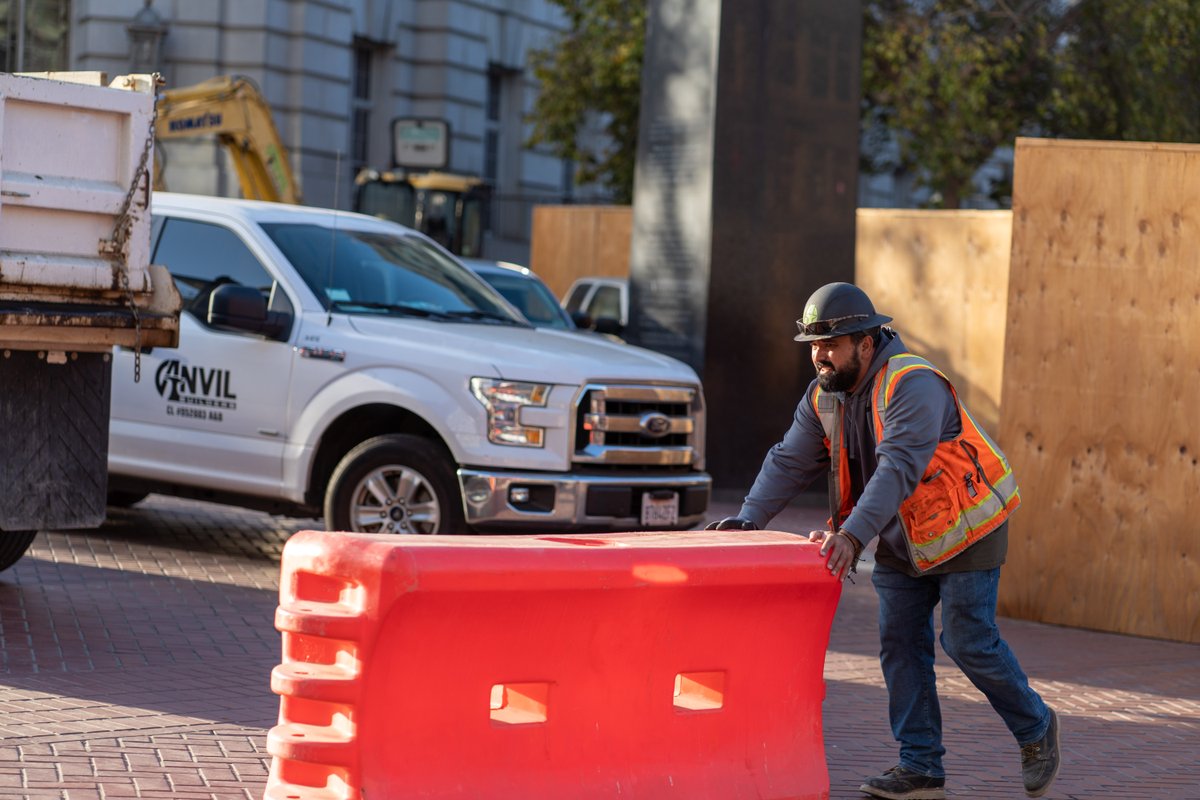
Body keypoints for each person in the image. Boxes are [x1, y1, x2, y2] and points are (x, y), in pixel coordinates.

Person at [706, 282, 1061, 800]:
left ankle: (1036, 728)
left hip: (965, 527)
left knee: (966, 640)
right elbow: (789, 459)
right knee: (900, 646)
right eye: (812, 345)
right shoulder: (824, 396)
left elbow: (898, 468)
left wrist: (851, 535)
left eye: (830, 345)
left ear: (866, 343)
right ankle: (920, 769)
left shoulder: (912, 383)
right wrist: (746, 520)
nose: (819, 357)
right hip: (900, 536)